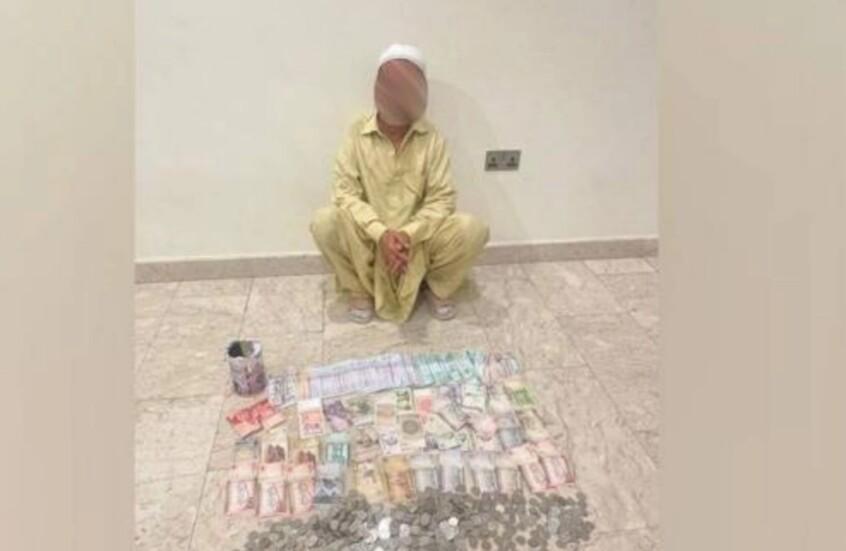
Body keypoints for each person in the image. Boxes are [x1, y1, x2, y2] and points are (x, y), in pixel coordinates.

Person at [311, 44, 489, 323]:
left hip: (417, 243)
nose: (397, 94)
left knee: (472, 229)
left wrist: (407, 234)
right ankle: (358, 290)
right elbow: (345, 193)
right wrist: (381, 233)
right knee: (325, 222)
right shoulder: (357, 132)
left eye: (406, 86)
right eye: (391, 85)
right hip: (367, 240)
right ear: (377, 89)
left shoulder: (432, 138)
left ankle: (437, 288)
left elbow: (442, 198)